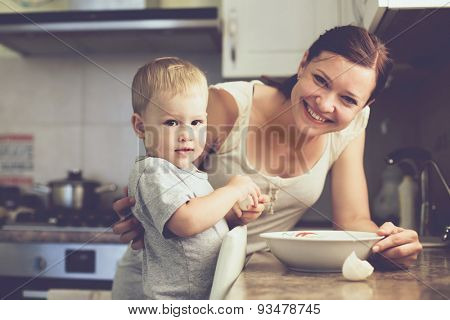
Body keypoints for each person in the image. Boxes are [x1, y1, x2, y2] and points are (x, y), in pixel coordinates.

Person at [112, 26, 423, 299]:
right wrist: (140, 216)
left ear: (365, 106)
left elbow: (353, 219)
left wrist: (389, 244)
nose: (326, 104)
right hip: (164, 289)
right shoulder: (225, 108)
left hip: (231, 284)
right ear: (303, 64)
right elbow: (159, 177)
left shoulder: (352, 125)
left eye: (348, 100)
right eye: (321, 80)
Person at [123, 57, 264, 299]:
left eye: (196, 122)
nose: (187, 134)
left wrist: (235, 215)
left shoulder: (189, 174)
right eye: (171, 122)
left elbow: (203, 225)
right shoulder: (153, 172)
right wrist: (232, 191)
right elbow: (186, 222)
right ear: (140, 127)